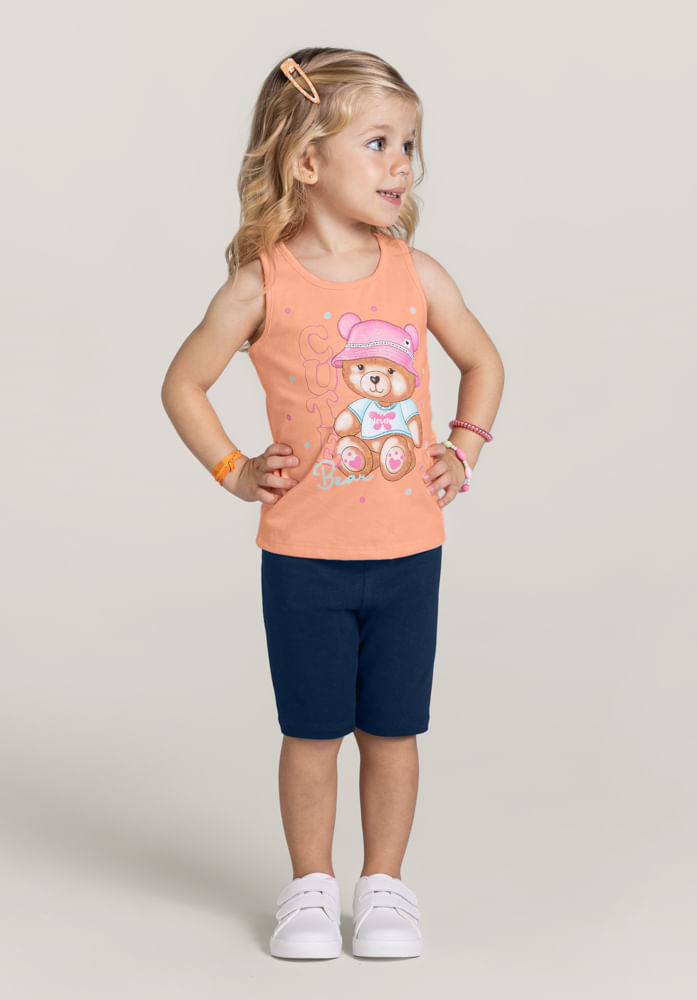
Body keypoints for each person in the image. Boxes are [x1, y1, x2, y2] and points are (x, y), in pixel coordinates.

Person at [160, 47, 505, 961]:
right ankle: (310, 889)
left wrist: (463, 450)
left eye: (409, 145)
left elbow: (482, 361)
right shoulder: (261, 282)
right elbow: (184, 383)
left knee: (392, 731)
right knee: (311, 733)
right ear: (307, 159)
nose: (402, 165)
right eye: (379, 143)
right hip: (302, 558)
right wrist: (234, 468)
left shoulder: (416, 273)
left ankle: (383, 887)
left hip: (408, 553)